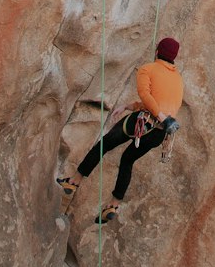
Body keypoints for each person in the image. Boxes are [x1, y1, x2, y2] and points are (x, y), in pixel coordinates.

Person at [57, 37, 184, 223]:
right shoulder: (178, 80)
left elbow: (146, 95)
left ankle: (74, 182)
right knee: (127, 160)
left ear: (157, 51)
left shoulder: (147, 69)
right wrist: (129, 106)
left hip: (142, 123)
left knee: (104, 145)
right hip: (159, 133)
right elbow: (159, 101)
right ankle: (114, 204)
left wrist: (159, 115)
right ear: (174, 57)